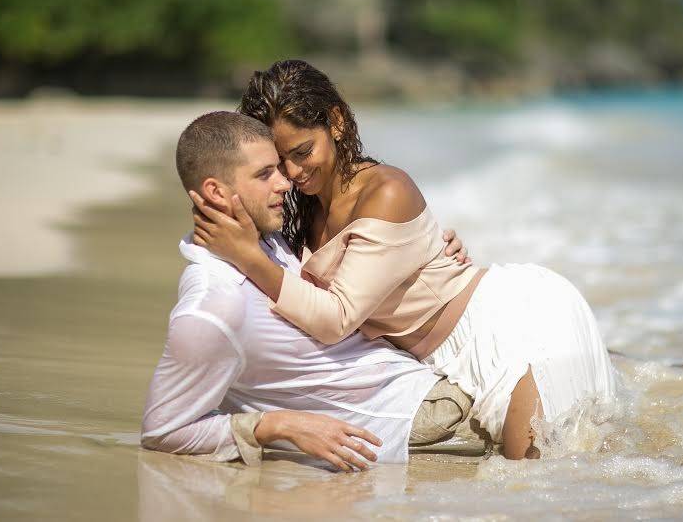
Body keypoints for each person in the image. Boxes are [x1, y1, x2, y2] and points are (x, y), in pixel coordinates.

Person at [190, 59, 618, 460]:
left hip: (517, 327)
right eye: (279, 162)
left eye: (303, 152)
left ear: (335, 123)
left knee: (537, 478)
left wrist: (246, 257)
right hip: (440, 359)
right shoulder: (306, 211)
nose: (294, 173)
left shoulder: (385, 192)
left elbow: (336, 317)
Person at [141, 111, 478, 472]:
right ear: (215, 192)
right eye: (264, 174)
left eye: (280, 168)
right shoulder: (214, 306)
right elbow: (163, 431)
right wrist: (279, 425)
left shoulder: (270, 242)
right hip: (418, 425)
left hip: (437, 382)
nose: (285, 184)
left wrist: (428, 253)